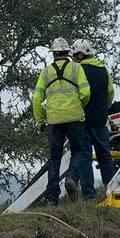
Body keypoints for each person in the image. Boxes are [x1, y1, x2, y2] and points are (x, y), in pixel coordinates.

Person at [32, 37, 91, 207]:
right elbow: (86, 93)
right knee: (79, 151)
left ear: (53, 53)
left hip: (54, 121)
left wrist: (40, 121)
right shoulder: (77, 68)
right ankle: (72, 177)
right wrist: (79, 106)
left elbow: (36, 99)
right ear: (68, 52)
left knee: (54, 158)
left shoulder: (45, 72)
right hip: (75, 118)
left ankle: (52, 199)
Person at [64, 39, 118, 200]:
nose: (73, 58)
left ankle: (89, 195)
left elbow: (76, 94)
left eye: (74, 55)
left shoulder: (78, 69)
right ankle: (112, 190)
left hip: (83, 120)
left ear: (80, 55)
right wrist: (103, 109)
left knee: (84, 156)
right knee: (105, 156)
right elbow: (110, 93)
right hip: (100, 120)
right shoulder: (104, 70)